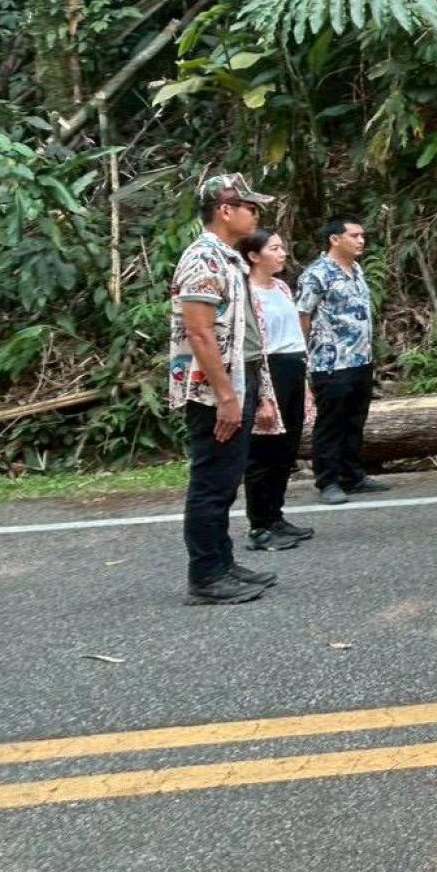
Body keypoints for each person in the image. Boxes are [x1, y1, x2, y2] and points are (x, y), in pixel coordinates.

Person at [169, 174, 281, 605]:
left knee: (227, 480)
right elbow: (199, 333)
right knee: (212, 483)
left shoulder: (229, 259)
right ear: (225, 211)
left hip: (240, 380)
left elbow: (244, 332)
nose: (256, 214)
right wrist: (226, 396)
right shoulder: (203, 258)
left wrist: (257, 390)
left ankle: (223, 564)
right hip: (214, 389)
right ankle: (206, 577)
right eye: (250, 207)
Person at [297, 213, 386, 505]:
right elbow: (303, 316)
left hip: (360, 359)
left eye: (362, 235)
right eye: (354, 236)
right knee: (331, 423)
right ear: (335, 239)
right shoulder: (317, 274)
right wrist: (304, 355)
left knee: (354, 420)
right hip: (330, 362)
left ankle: (352, 475)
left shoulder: (356, 269)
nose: (361, 240)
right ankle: (328, 480)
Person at [240, 229, 317, 553]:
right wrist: (262, 395)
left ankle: (276, 516)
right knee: (263, 451)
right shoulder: (247, 293)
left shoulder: (282, 287)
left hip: (292, 368)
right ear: (253, 256)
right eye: (274, 248)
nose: (282, 253)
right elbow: (253, 346)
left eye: (282, 247)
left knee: (286, 449)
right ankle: (259, 525)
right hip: (267, 371)